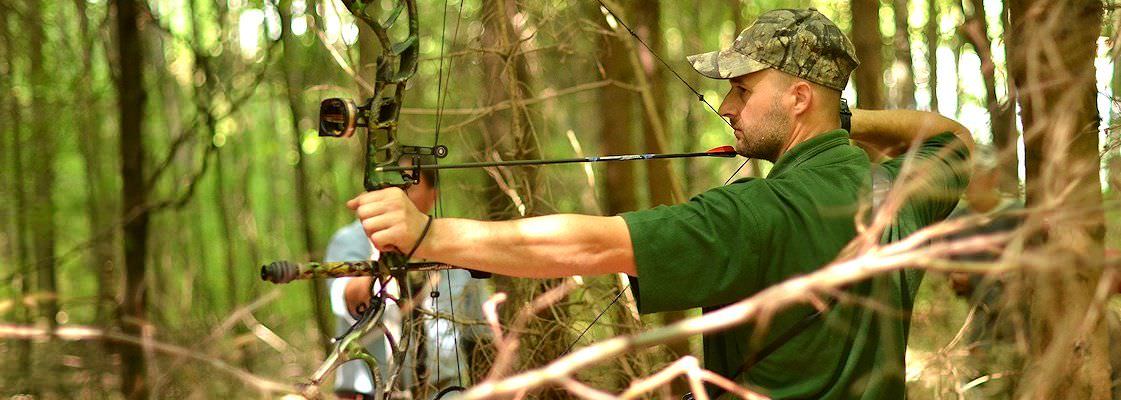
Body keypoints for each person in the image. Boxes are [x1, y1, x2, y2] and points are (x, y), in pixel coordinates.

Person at [347, 8, 972, 399]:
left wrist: (429, 235)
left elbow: (591, 244)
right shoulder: (893, 196)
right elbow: (949, 137)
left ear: (798, 97)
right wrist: (840, 119)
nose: (726, 107)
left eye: (744, 90)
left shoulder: (759, 213)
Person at [326, 159, 490, 399]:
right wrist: (381, 262)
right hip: (371, 393)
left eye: (407, 185)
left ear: (432, 196)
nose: (397, 196)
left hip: (445, 390)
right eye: (389, 185)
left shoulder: (454, 245)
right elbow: (349, 299)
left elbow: (480, 338)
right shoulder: (350, 240)